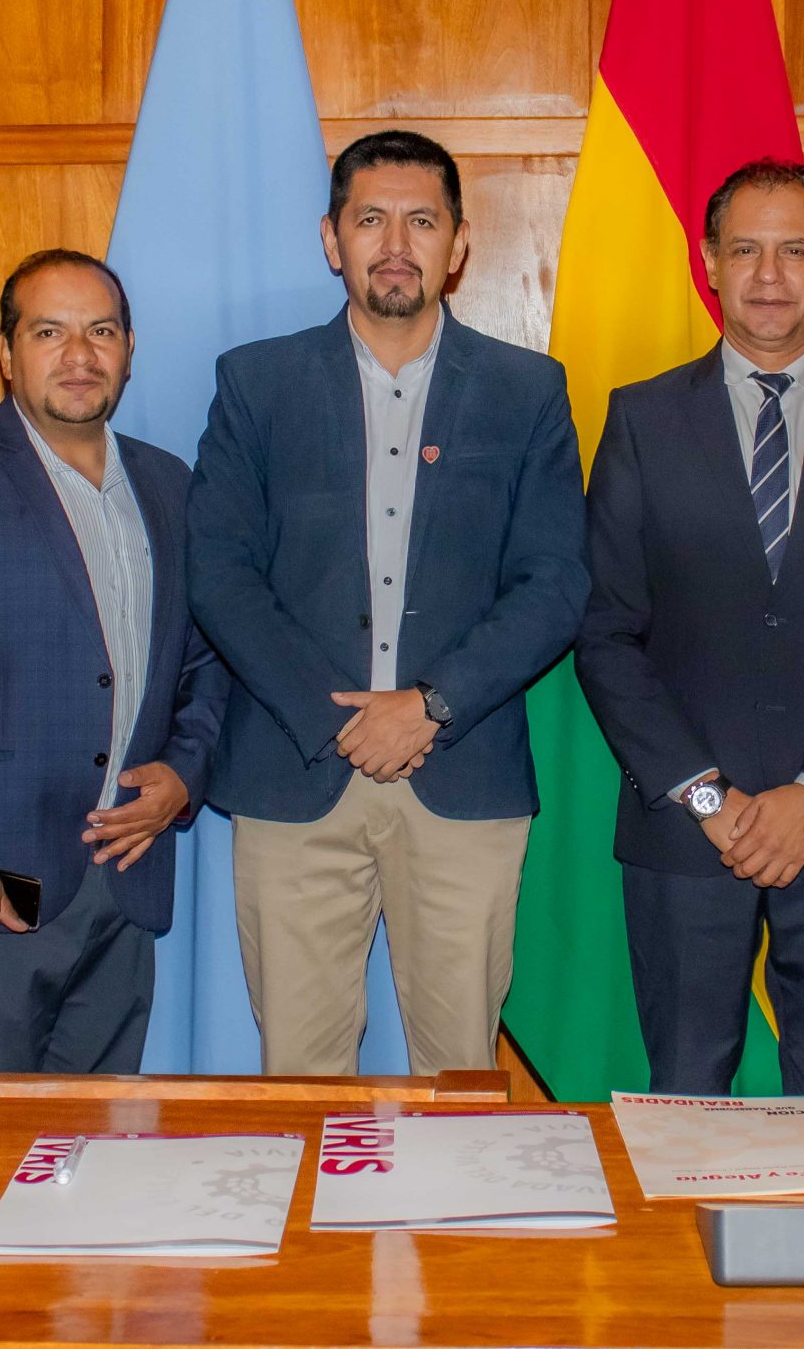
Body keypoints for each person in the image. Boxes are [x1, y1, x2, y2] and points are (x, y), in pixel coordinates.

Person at [187, 129, 587, 1075]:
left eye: (422, 221)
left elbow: (556, 581)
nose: (396, 244)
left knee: (459, 1078)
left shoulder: (527, 391)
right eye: (371, 219)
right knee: (300, 1077)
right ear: (333, 239)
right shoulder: (256, 383)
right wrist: (339, 719)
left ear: (459, 244)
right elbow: (220, 571)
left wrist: (428, 706)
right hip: (296, 771)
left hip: (462, 774)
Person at [578, 160, 804, 1095]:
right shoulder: (642, 419)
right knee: (686, 1097)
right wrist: (709, 799)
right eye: (745, 249)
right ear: (709, 263)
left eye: (795, 250)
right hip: (686, 833)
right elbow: (606, 632)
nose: (770, 274)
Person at [0, 251, 227, 1073]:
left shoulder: (170, 485)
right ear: (6, 353)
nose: (79, 354)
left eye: (101, 331)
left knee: (96, 1139)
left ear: (129, 350)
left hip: (126, 885)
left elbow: (205, 657)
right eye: (49, 332)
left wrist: (184, 771)